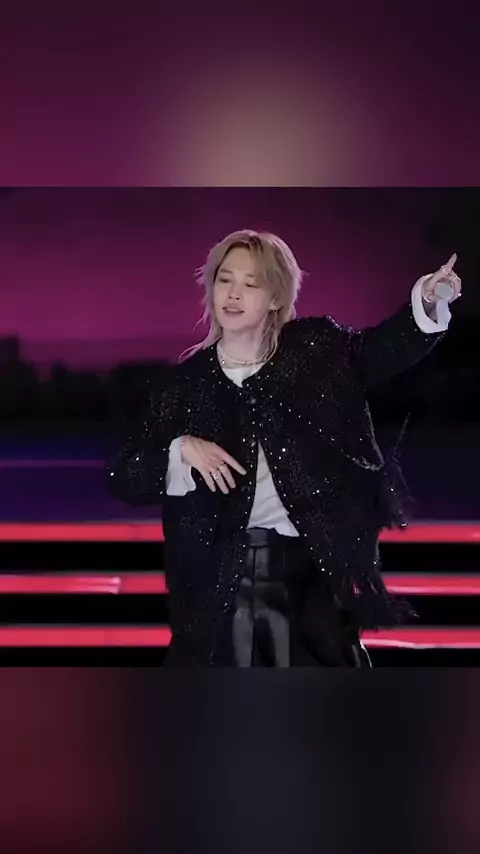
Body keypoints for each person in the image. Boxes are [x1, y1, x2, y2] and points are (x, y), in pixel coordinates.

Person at [106, 230, 461, 667]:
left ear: (276, 297)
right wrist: (180, 450)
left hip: (313, 571)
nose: (233, 294)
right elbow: (124, 474)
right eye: (224, 280)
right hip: (220, 582)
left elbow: (381, 349)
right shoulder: (184, 387)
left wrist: (427, 301)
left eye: (250, 283)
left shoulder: (316, 351)